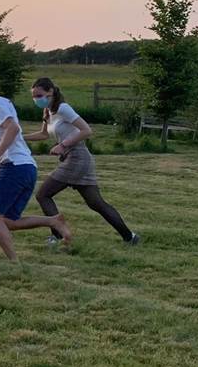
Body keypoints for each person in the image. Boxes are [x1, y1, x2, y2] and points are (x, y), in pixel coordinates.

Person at [0, 66, 71, 261]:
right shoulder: (4, 102)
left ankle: (14, 263)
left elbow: (13, 129)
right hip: (25, 167)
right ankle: (53, 221)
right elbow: (6, 138)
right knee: (8, 221)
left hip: (15, 168)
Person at [23, 77, 140, 246]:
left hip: (77, 158)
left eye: (39, 95)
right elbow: (43, 135)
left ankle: (57, 236)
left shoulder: (63, 108)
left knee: (43, 195)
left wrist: (63, 145)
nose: (36, 99)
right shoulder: (48, 111)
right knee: (96, 203)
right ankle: (130, 237)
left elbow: (86, 130)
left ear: (50, 92)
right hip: (76, 159)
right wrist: (19, 137)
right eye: (34, 96)